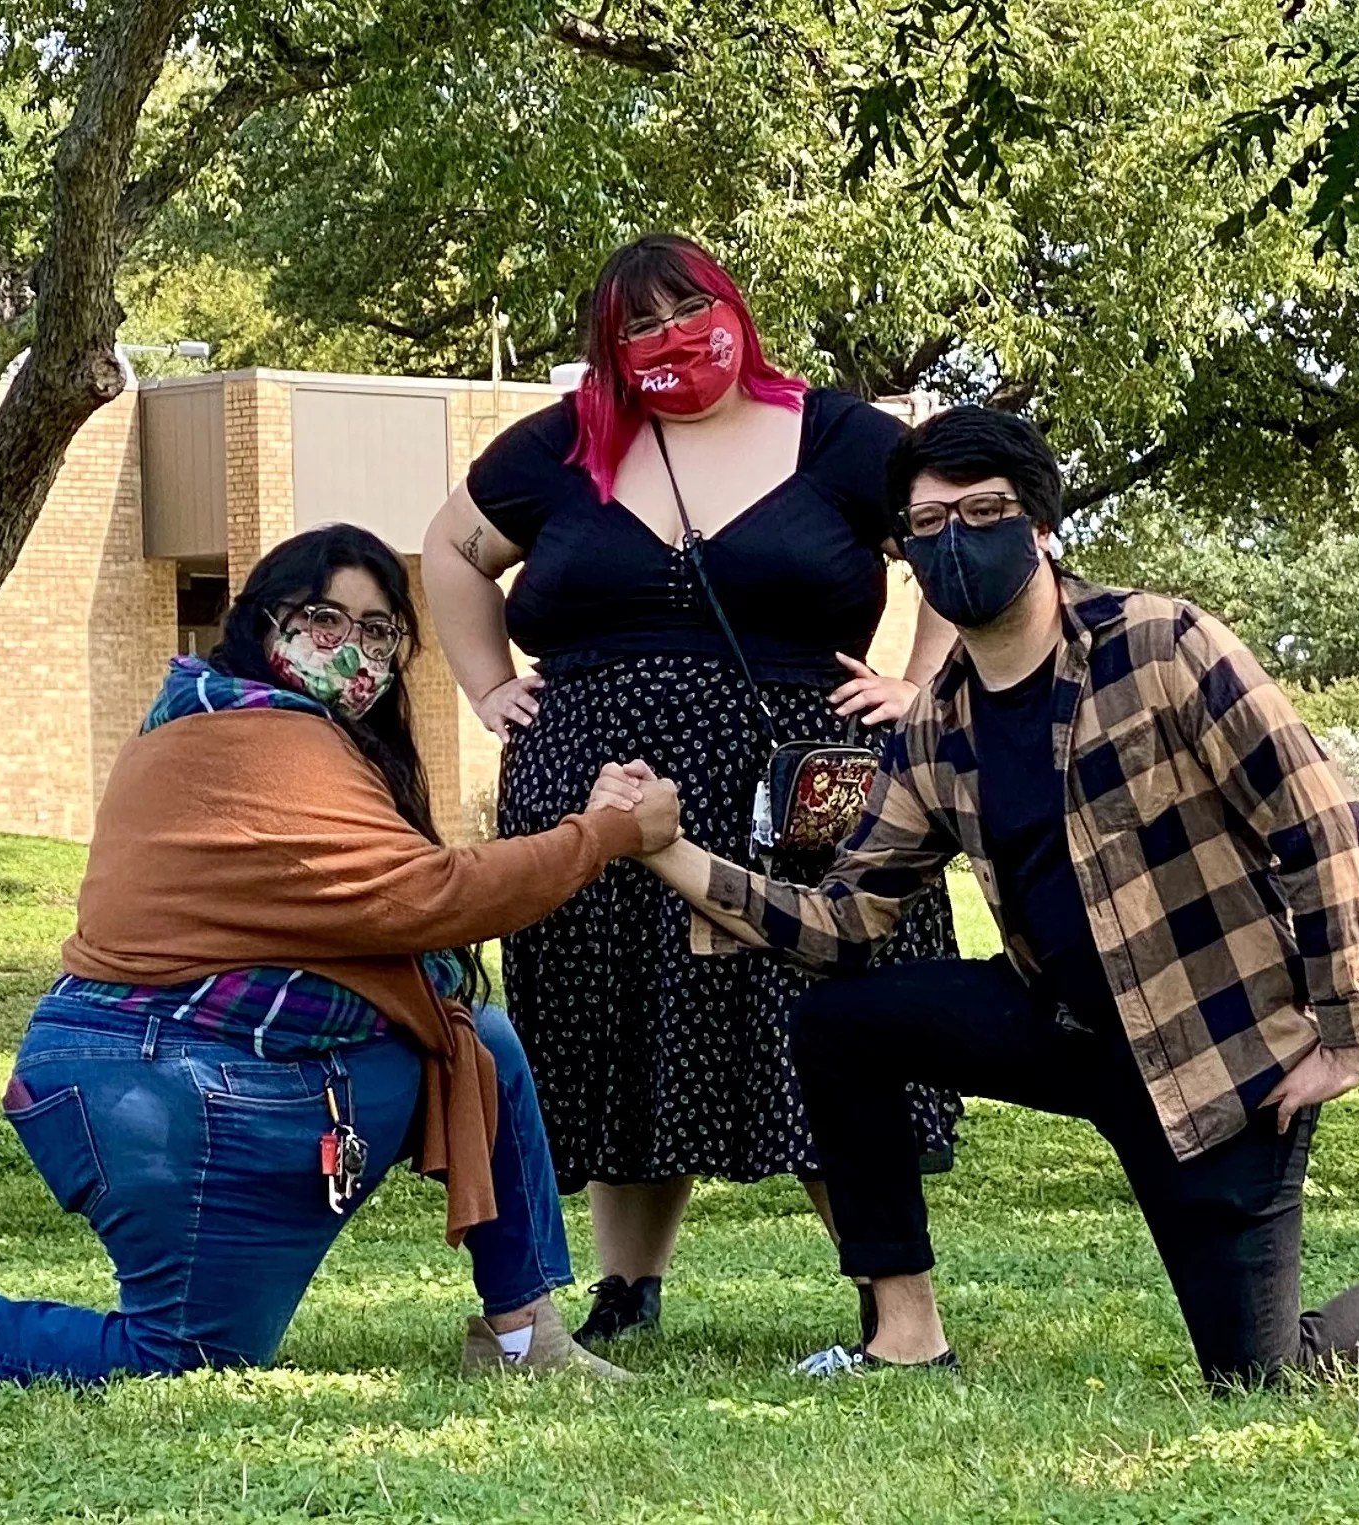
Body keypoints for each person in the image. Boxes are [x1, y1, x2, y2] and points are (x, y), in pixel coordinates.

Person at [599, 407, 1359, 1385]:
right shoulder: (936, 725)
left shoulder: (1163, 645)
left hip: (1213, 1045)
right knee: (840, 1022)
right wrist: (668, 849)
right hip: (1060, 1024)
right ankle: (904, 1333)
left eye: (983, 512)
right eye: (927, 525)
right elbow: (843, 921)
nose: (954, 541)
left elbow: (1319, 822)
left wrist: (1343, 1029)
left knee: (1260, 1372)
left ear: (1042, 528)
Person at [0, 526, 683, 1386]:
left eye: (378, 631)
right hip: (156, 1080)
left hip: (167, 1066)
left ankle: (523, 1334)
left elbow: (375, 912)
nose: (353, 649)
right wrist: (604, 832)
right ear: (264, 622)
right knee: (183, 1356)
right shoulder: (259, 741)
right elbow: (427, 897)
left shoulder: (227, 722)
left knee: (473, 1038)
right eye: (324, 619)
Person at [421, 232, 965, 1347]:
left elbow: (953, 532)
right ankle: (627, 1289)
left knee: (818, 1014)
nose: (671, 337)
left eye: (689, 309)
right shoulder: (562, 444)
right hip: (595, 789)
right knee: (620, 1019)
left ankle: (888, 1291)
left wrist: (920, 685)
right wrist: (487, 685)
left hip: (798, 795)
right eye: (641, 324)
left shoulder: (842, 435)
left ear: (734, 307)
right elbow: (450, 548)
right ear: (607, 345)